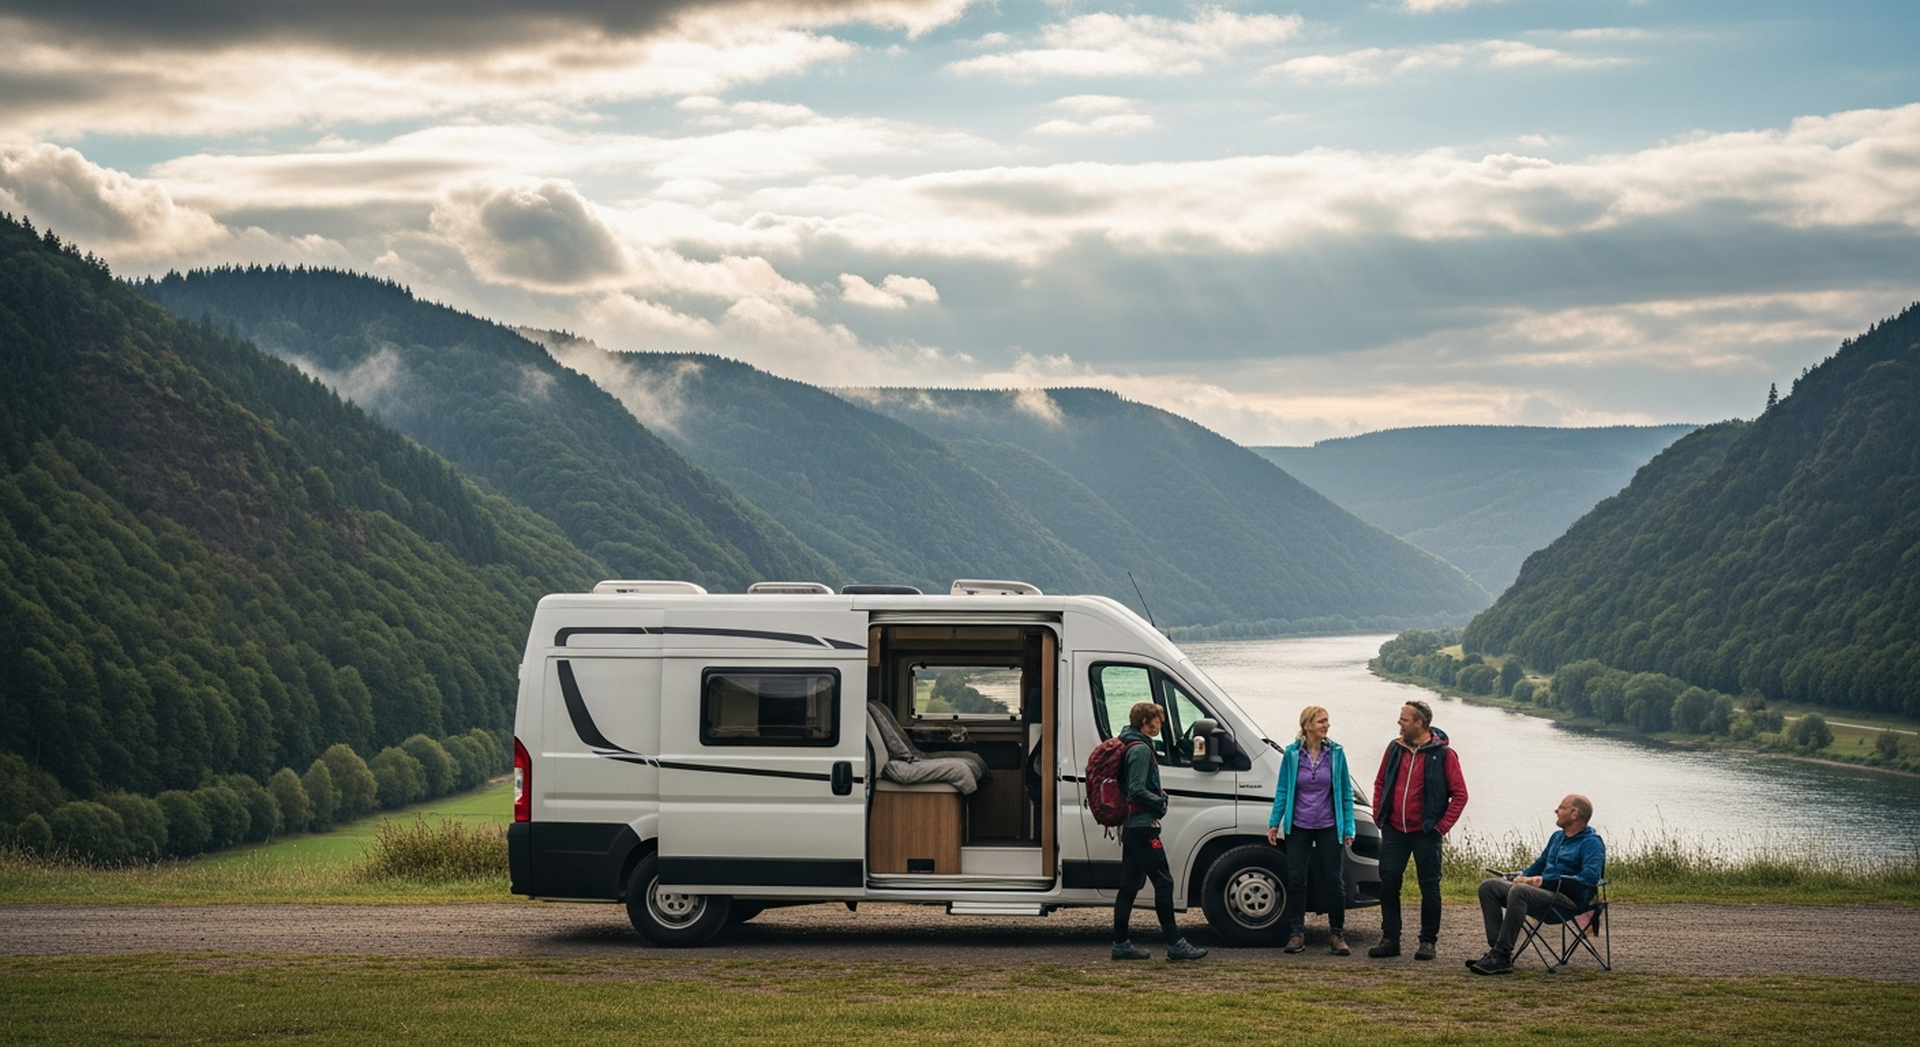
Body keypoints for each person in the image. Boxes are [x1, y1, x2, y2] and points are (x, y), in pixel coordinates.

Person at [1369, 699, 1468, 961]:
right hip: (1393, 829)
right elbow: (1380, 782)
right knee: (1388, 882)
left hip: (1426, 832)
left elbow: (1460, 795)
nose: (1399, 723)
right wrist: (1380, 816)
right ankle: (1390, 939)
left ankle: (1427, 941)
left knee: (1429, 887)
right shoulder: (1394, 749)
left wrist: (1440, 828)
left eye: (1404, 719)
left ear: (1419, 723)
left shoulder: (1444, 754)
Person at [1112, 702, 1208, 961]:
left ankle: (1120, 944)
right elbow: (1135, 790)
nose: (1160, 724)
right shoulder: (1141, 749)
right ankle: (1175, 943)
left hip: (1131, 826)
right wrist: (1160, 802)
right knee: (1164, 882)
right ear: (1146, 722)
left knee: (1130, 886)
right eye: (1158, 720)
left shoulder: (1128, 743)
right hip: (1143, 826)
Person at [1469, 794, 1606, 975]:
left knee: (1520, 891)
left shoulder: (1591, 843)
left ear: (1574, 814)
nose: (1556, 811)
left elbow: (1588, 879)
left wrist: (1546, 881)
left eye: (1561, 808)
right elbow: (1538, 866)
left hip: (1568, 902)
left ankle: (1502, 955)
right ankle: (1496, 951)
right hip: (1541, 897)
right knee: (1489, 887)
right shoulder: (1557, 837)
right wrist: (1519, 876)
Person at [1266, 705, 1356, 955]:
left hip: (1329, 826)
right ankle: (1296, 933)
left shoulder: (1337, 754)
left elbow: (1345, 793)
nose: (1326, 725)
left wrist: (1349, 827)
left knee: (1333, 879)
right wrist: (1274, 823)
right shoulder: (1292, 754)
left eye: (1327, 721)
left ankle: (1337, 934)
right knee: (1297, 879)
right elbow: (1283, 790)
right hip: (1299, 826)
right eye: (1321, 722)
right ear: (1307, 726)